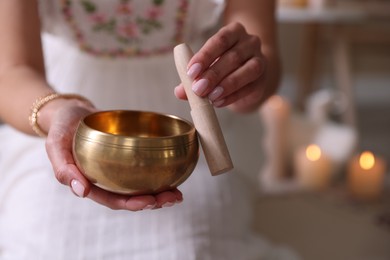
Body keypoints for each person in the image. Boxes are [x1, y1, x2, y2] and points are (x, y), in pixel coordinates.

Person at [0, 0, 299, 259]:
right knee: (48, 246)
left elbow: (263, 52)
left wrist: (247, 80)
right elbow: (11, 72)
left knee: (192, 250)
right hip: (56, 112)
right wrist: (57, 112)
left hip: (199, 130)